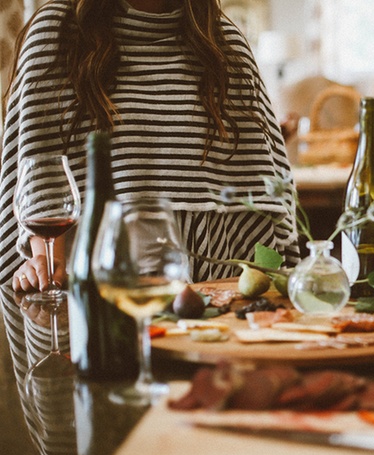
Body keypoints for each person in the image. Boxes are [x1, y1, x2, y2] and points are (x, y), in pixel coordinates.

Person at [1, 0, 299, 292]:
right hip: (99, 288)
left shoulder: (223, 41)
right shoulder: (57, 30)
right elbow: (41, 170)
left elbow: (263, 191)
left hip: (216, 283)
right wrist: (46, 262)